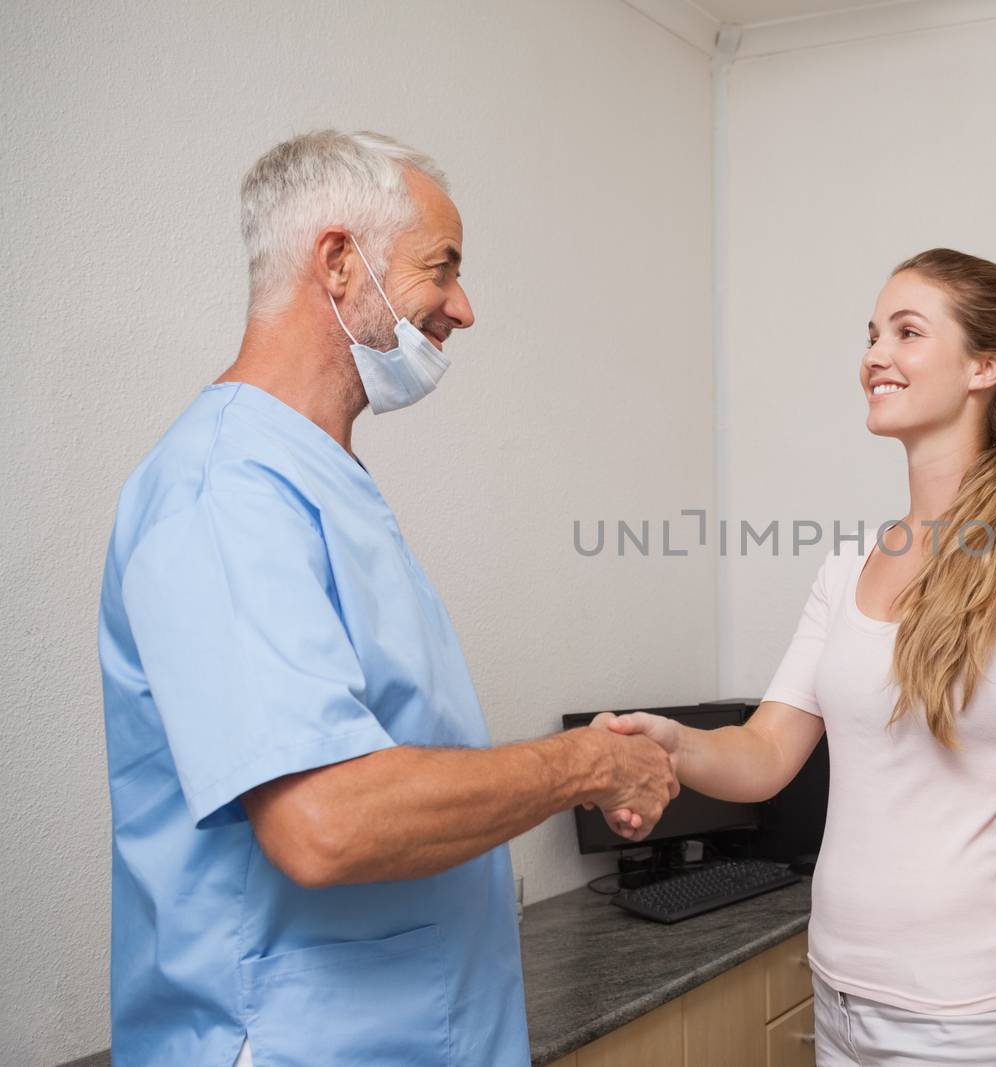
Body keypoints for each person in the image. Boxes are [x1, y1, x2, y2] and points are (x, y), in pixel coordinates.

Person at [97, 130, 677, 1067]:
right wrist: (583, 767)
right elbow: (328, 821)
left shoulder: (319, 479)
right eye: (440, 268)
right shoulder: (225, 493)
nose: (464, 307)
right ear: (337, 262)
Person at [597, 248, 996, 1065]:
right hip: (837, 998)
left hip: (962, 1017)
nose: (875, 354)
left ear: (985, 364)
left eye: (908, 332)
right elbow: (765, 753)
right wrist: (671, 741)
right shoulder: (846, 566)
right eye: (872, 333)